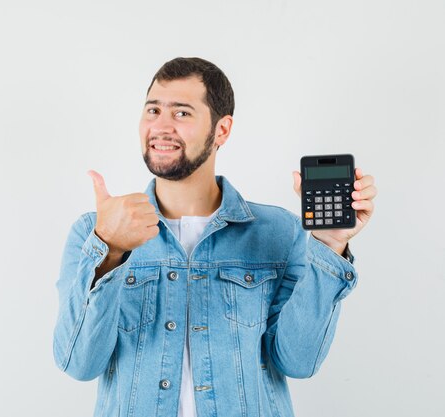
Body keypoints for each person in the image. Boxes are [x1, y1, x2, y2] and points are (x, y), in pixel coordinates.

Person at [53, 57, 377, 417]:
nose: (161, 126)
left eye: (181, 114)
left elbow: (299, 361)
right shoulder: (93, 232)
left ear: (221, 130)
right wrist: (109, 249)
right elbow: (79, 363)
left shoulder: (280, 232)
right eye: (153, 110)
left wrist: (330, 244)